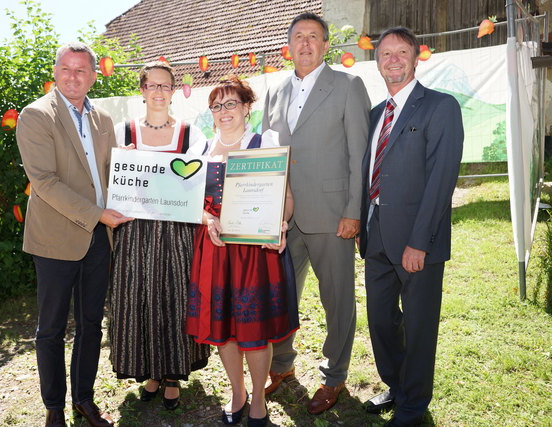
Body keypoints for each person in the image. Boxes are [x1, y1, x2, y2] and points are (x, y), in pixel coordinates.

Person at [16, 42, 131, 427]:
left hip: (99, 237)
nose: (73, 76)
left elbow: (112, 170)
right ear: (55, 71)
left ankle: (84, 399)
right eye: (66, 68)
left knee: (90, 324)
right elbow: (44, 181)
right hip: (55, 238)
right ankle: (53, 408)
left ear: (94, 76)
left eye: (81, 70)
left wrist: (134, 168)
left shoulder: (102, 119)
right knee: (49, 329)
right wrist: (97, 213)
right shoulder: (36, 115)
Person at [261, 12, 371, 414]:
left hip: (332, 214)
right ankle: (282, 368)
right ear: (287, 46)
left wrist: (353, 211)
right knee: (280, 297)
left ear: (326, 46)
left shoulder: (347, 86)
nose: (305, 43)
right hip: (283, 218)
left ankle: (334, 376)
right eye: (298, 37)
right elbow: (267, 156)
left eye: (313, 37)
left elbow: (360, 154)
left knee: (337, 299)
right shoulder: (274, 91)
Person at [358, 27, 463, 427]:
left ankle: (414, 405)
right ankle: (396, 385)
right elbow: (368, 173)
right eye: (386, 53)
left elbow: (440, 182)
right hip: (376, 236)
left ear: (416, 58)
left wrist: (420, 241)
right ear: (378, 61)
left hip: (418, 241)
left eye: (402, 52)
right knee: (382, 320)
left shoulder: (439, 107)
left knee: (419, 326)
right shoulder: (374, 114)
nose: (394, 60)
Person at [186, 76, 299, 427]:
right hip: (216, 250)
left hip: (254, 253)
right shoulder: (200, 150)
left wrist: (279, 223)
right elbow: (188, 202)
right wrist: (207, 219)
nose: (223, 112)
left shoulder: (263, 143)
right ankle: (237, 392)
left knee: (254, 331)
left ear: (247, 106)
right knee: (225, 330)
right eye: (217, 106)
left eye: (231, 103)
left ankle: (259, 396)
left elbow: (287, 199)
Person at [108, 61, 210, 410]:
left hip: (176, 230)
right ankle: (151, 369)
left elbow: (196, 182)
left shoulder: (190, 134)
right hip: (134, 231)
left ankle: (172, 375)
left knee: (174, 297)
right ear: (142, 90)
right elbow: (113, 181)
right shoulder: (122, 133)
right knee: (140, 298)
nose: (158, 91)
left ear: (173, 91)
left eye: (165, 86)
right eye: (151, 85)